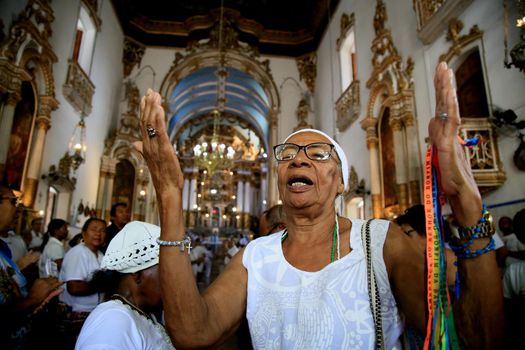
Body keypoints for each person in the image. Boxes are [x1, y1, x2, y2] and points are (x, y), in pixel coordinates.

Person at [136, 62, 503, 348]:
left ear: (341, 181)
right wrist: (169, 195)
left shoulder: (381, 242)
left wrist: (466, 202)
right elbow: (192, 333)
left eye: (317, 153)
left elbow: (473, 340)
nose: (299, 159)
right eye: (289, 153)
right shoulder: (255, 257)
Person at [75, 221, 174, 349]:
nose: (173, 283)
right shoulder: (113, 320)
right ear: (137, 274)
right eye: (166, 273)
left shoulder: (144, 314)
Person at [0, 181, 63, 348]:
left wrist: (34, 301)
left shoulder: (3, 250)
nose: (18, 209)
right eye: (13, 202)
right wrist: (33, 299)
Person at [56, 217, 107, 349]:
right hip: (76, 313)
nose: (98, 233)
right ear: (84, 233)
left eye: (102, 231)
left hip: (92, 312)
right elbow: (74, 287)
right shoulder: (79, 252)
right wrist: (102, 285)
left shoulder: (101, 256)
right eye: (94, 229)